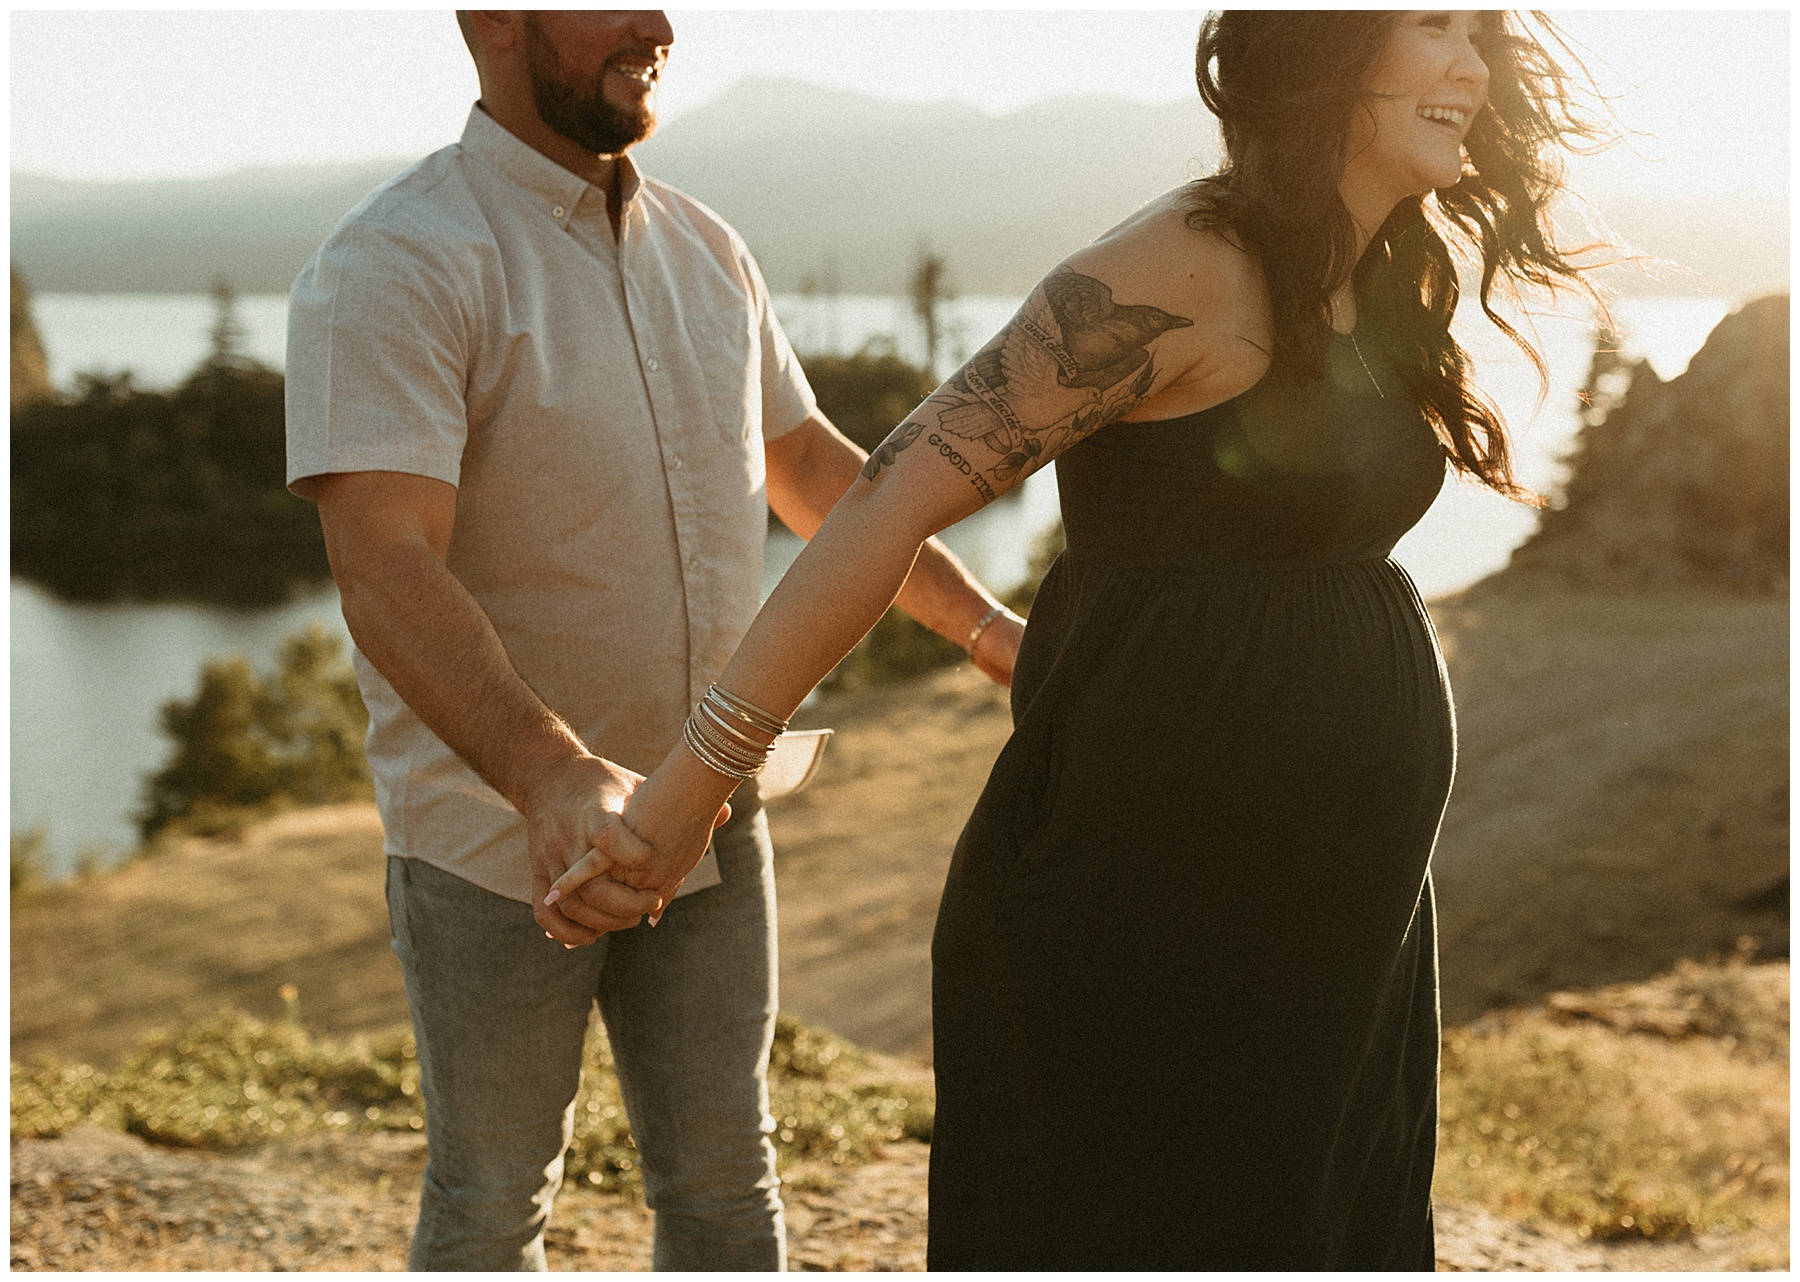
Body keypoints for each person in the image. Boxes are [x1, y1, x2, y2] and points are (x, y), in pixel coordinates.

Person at [551, 9, 1613, 1270]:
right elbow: (888, 497)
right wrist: (695, 783)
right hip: (1146, 901)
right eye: (1434, 24)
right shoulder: (1178, 268)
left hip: (1340, 920)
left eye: (1481, 29)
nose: (1473, 66)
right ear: (1329, 49)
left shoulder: (1388, 267)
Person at [284, 10, 1022, 1271]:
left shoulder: (708, 248)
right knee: (491, 1201)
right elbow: (384, 566)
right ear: (496, 19)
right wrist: (552, 774)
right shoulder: (395, 262)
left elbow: (810, 470)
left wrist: (988, 629)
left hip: (715, 817)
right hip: (498, 846)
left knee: (730, 1189)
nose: (662, 20)